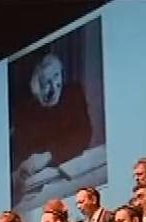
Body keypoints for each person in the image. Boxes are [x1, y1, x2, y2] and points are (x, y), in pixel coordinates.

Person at [11, 53, 92, 203]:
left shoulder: (73, 93)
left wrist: (48, 156)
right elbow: (20, 150)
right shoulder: (28, 111)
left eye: (56, 76)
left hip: (74, 171)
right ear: (36, 87)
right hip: (41, 185)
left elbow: (83, 134)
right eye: (46, 81)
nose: (55, 85)